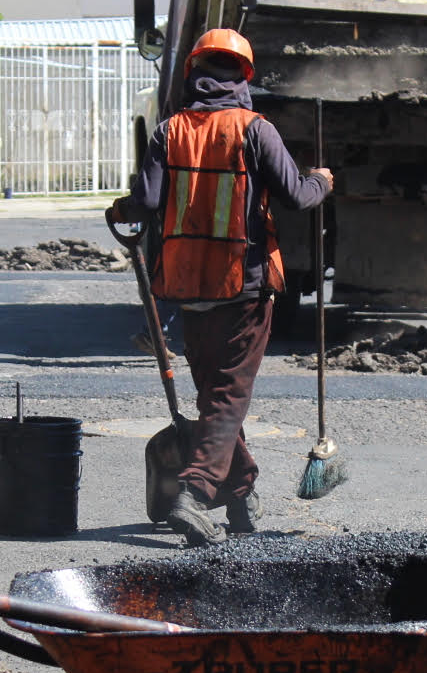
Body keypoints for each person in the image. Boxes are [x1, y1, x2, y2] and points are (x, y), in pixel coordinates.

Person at [108, 27, 333, 547]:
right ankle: (195, 493)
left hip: (187, 285)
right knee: (228, 397)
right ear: (245, 76)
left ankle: (241, 494)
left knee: (216, 396)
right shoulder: (255, 129)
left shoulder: (169, 131)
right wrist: (322, 179)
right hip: (244, 285)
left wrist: (121, 210)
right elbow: (298, 197)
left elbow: (143, 204)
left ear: (193, 73)